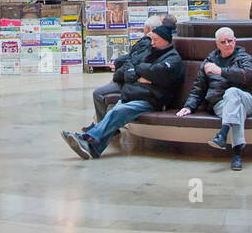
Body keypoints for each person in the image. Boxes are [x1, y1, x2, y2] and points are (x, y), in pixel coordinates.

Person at [61, 23, 185, 160]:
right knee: (114, 112)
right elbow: (133, 66)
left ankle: (87, 138)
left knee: (116, 112)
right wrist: (141, 74)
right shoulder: (150, 51)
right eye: (152, 39)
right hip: (134, 94)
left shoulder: (173, 59)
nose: (152, 42)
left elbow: (156, 72)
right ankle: (94, 148)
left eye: (156, 40)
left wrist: (142, 70)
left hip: (151, 100)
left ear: (166, 40)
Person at [176, 26, 252, 170]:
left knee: (232, 92)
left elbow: (248, 75)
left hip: (246, 99)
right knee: (235, 109)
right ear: (216, 44)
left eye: (230, 41)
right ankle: (237, 154)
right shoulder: (209, 61)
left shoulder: (245, 57)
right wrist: (188, 106)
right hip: (220, 103)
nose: (227, 44)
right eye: (223, 42)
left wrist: (220, 71)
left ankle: (223, 133)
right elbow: (199, 88)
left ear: (235, 41)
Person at [90, 13, 178, 124]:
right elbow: (132, 62)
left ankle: (99, 129)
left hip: (136, 88)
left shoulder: (153, 47)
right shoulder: (152, 46)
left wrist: (121, 76)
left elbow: (136, 65)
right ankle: (97, 128)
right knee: (115, 105)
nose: (153, 42)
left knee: (102, 96)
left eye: (155, 40)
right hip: (133, 83)